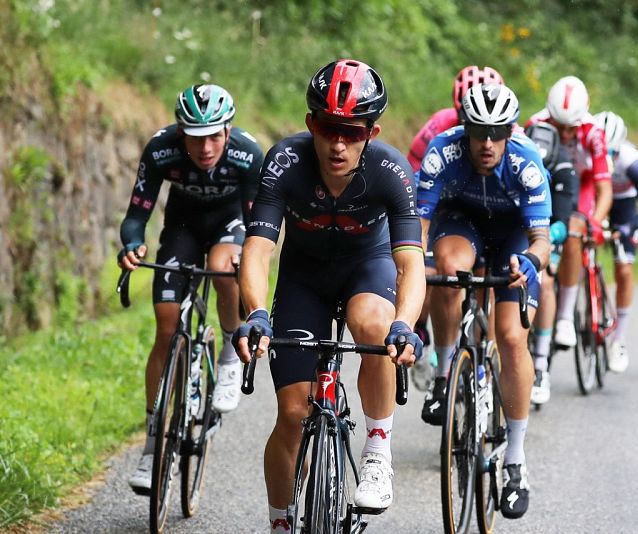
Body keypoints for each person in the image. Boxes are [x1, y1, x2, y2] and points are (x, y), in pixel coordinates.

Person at [232, 59, 425, 531]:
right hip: (304, 278)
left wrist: (406, 324)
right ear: (309, 124)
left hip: (367, 268)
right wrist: (257, 313)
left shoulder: (391, 170)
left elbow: (411, 264)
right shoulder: (286, 162)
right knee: (293, 412)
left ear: (372, 132)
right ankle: (280, 522)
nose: (338, 143)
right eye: (327, 128)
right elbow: (256, 252)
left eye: (353, 132)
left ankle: (378, 447)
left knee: (375, 325)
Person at [119, 84, 265, 494]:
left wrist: (247, 260)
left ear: (228, 130)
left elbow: (259, 226)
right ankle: (152, 447)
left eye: (215, 135)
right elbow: (136, 215)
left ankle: (229, 356)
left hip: (229, 226)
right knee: (166, 327)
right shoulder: (161, 149)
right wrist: (133, 245)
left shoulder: (248, 154)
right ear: (181, 132)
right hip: (181, 229)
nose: (205, 147)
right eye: (196, 137)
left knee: (223, 269)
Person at [417, 83, 552, 518]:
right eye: (479, 132)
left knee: (511, 337)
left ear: (511, 131)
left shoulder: (527, 162)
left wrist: (529, 263)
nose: (488, 143)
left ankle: (515, 459)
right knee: (448, 270)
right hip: (461, 223)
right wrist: (415, 262)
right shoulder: (442, 152)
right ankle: (443, 374)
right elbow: (419, 223)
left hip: (513, 234)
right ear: (466, 128)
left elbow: (542, 238)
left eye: (498, 132)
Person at [407, 65, 505, 392]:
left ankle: (482, 356)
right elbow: (410, 173)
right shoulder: (439, 127)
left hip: (489, 213)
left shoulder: (503, 137)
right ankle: (421, 332)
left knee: (485, 279)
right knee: (432, 271)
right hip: (443, 205)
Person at [524, 75, 612, 350]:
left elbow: (604, 188)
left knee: (574, 230)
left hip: (582, 186)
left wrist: (595, 222)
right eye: (558, 128)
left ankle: (564, 318)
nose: (564, 136)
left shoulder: (594, 132)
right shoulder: (535, 125)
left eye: (570, 130)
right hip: (548, 184)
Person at [593, 111, 638, 372]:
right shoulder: (588, 156)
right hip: (597, 197)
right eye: (603, 154)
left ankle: (618, 339)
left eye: (613, 154)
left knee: (624, 268)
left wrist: (630, 226)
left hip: (624, 206)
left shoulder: (631, 161)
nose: (608, 160)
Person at [523, 121, 578, 404]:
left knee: (545, 283)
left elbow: (563, 225)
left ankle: (541, 364)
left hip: (549, 229)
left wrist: (544, 241)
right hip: (519, 226)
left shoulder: (565, 169)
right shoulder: (517, 156)